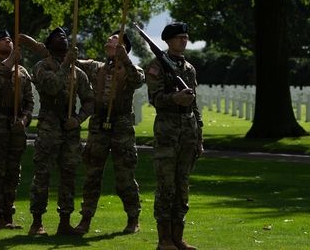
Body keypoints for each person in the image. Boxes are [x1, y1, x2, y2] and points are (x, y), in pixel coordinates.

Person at [72, 30, 145, 235]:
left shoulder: (133, 69)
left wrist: (125, 60)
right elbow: (73, 62)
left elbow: (138, 80)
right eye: (108, 39)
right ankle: (85, 219)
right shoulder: (97, 67)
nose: (108, 41)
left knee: (124, 176)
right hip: (98, 126)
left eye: (113, 39)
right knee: (92, 174)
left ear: (124, 47)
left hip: (121, 126)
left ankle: (133, 218)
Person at [26, 27, 96, 236]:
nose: (62, 38)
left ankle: (64, 221)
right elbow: (53, 87)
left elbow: (90, 100)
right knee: (42, 176)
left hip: (69, 130)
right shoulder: (41, 67)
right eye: (57, 36)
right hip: (49, 126)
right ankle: (37, 222)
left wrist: (78, 119)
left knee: (68, 176)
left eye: (65, 36)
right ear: (48, 45)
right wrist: (66, 64)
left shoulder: (78, 73)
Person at [146, 22, 203, 250]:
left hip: (188, 132)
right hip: (167, 132)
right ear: (168, 41)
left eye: (186, 37)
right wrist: (174, 99)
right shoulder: (157, 66)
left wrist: (199, 135)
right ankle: (164, 239)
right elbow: (155, 98)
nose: (184, 41)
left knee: (182, 187)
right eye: (179, 37)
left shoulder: (189, 69)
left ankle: (178, 237)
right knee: (166, 188)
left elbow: (195, 104)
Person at [0, 30, 34, 229]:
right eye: (3, 39)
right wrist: (10, 61)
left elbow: (29, 100)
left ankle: (9, 213)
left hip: (16, 125)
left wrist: (25, 118)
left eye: (10, 39)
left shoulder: (23, 71)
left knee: (13, 172)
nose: (8, 41)